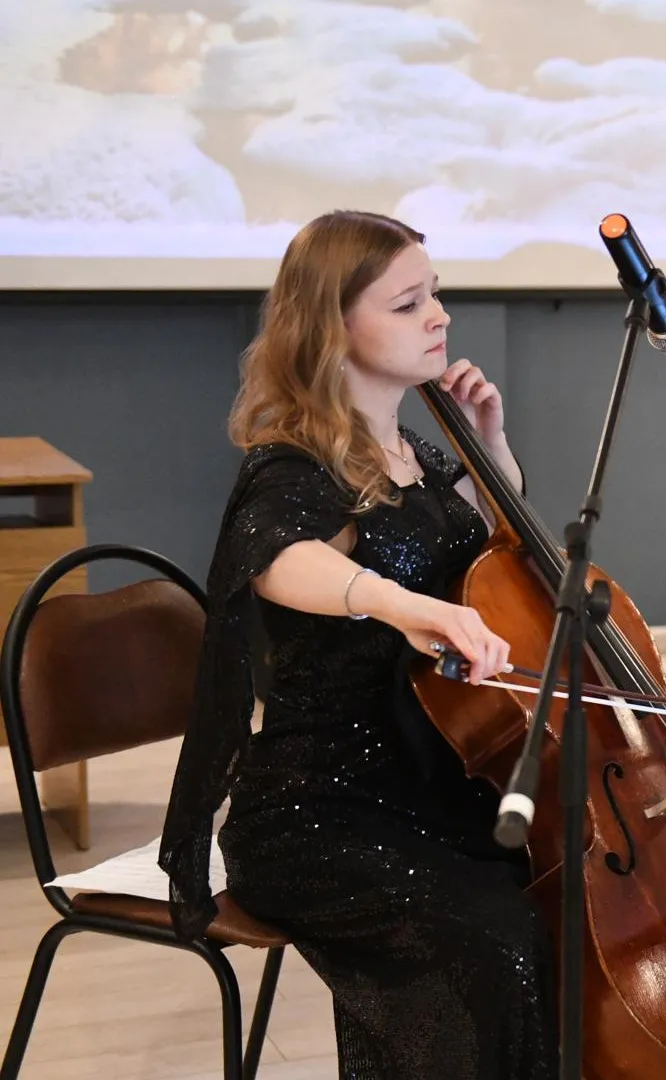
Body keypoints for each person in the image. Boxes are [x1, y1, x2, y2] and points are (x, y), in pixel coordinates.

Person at [158, 210, 553, 1078]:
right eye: (409, 303)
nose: (439, 316)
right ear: (333, 325)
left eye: (435, 294)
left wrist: (488, 449)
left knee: (560, 911)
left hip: (435, 783)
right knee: (496, 947)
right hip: (320, 812)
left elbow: (493, 554)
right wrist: (397, 603)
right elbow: (276, 559)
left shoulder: (415, 450)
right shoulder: (293, 465)